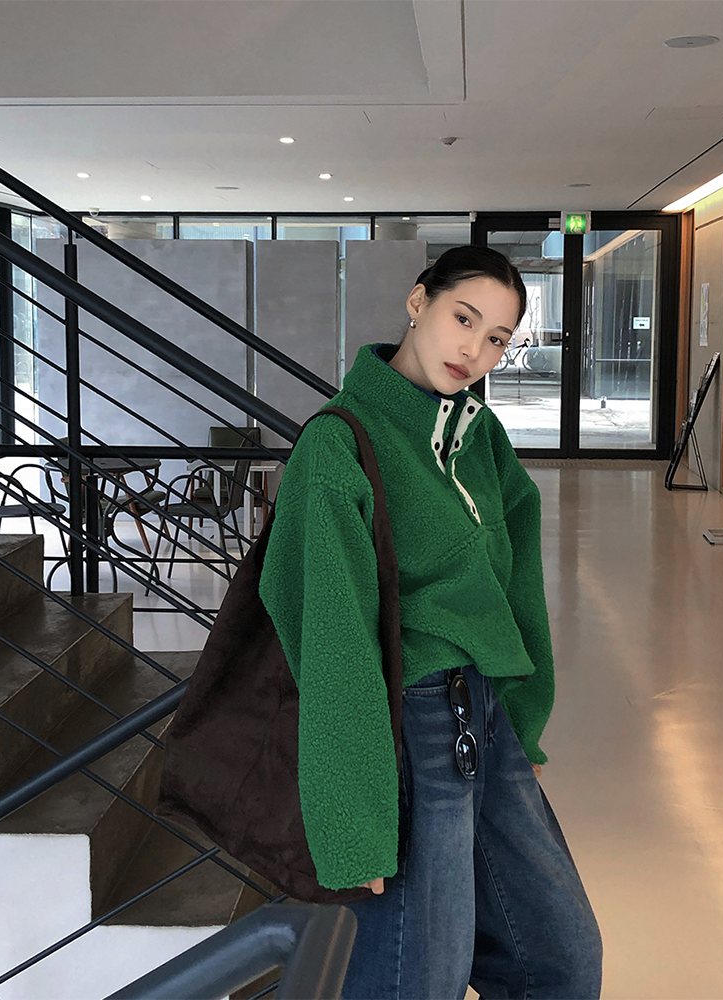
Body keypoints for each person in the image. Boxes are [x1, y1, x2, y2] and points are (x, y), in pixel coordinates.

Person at [258, 245, 603, 1000]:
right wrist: (355, 821)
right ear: (418, 303)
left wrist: (522, 712)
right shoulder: (339, 442)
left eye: (497, 338)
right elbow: (332, 644)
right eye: (463, 318)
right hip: (412, 726)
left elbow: (514, 583)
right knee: (419, 979)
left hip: (485, 716)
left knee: (563, 960)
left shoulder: (479, 436)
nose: (474, 350)